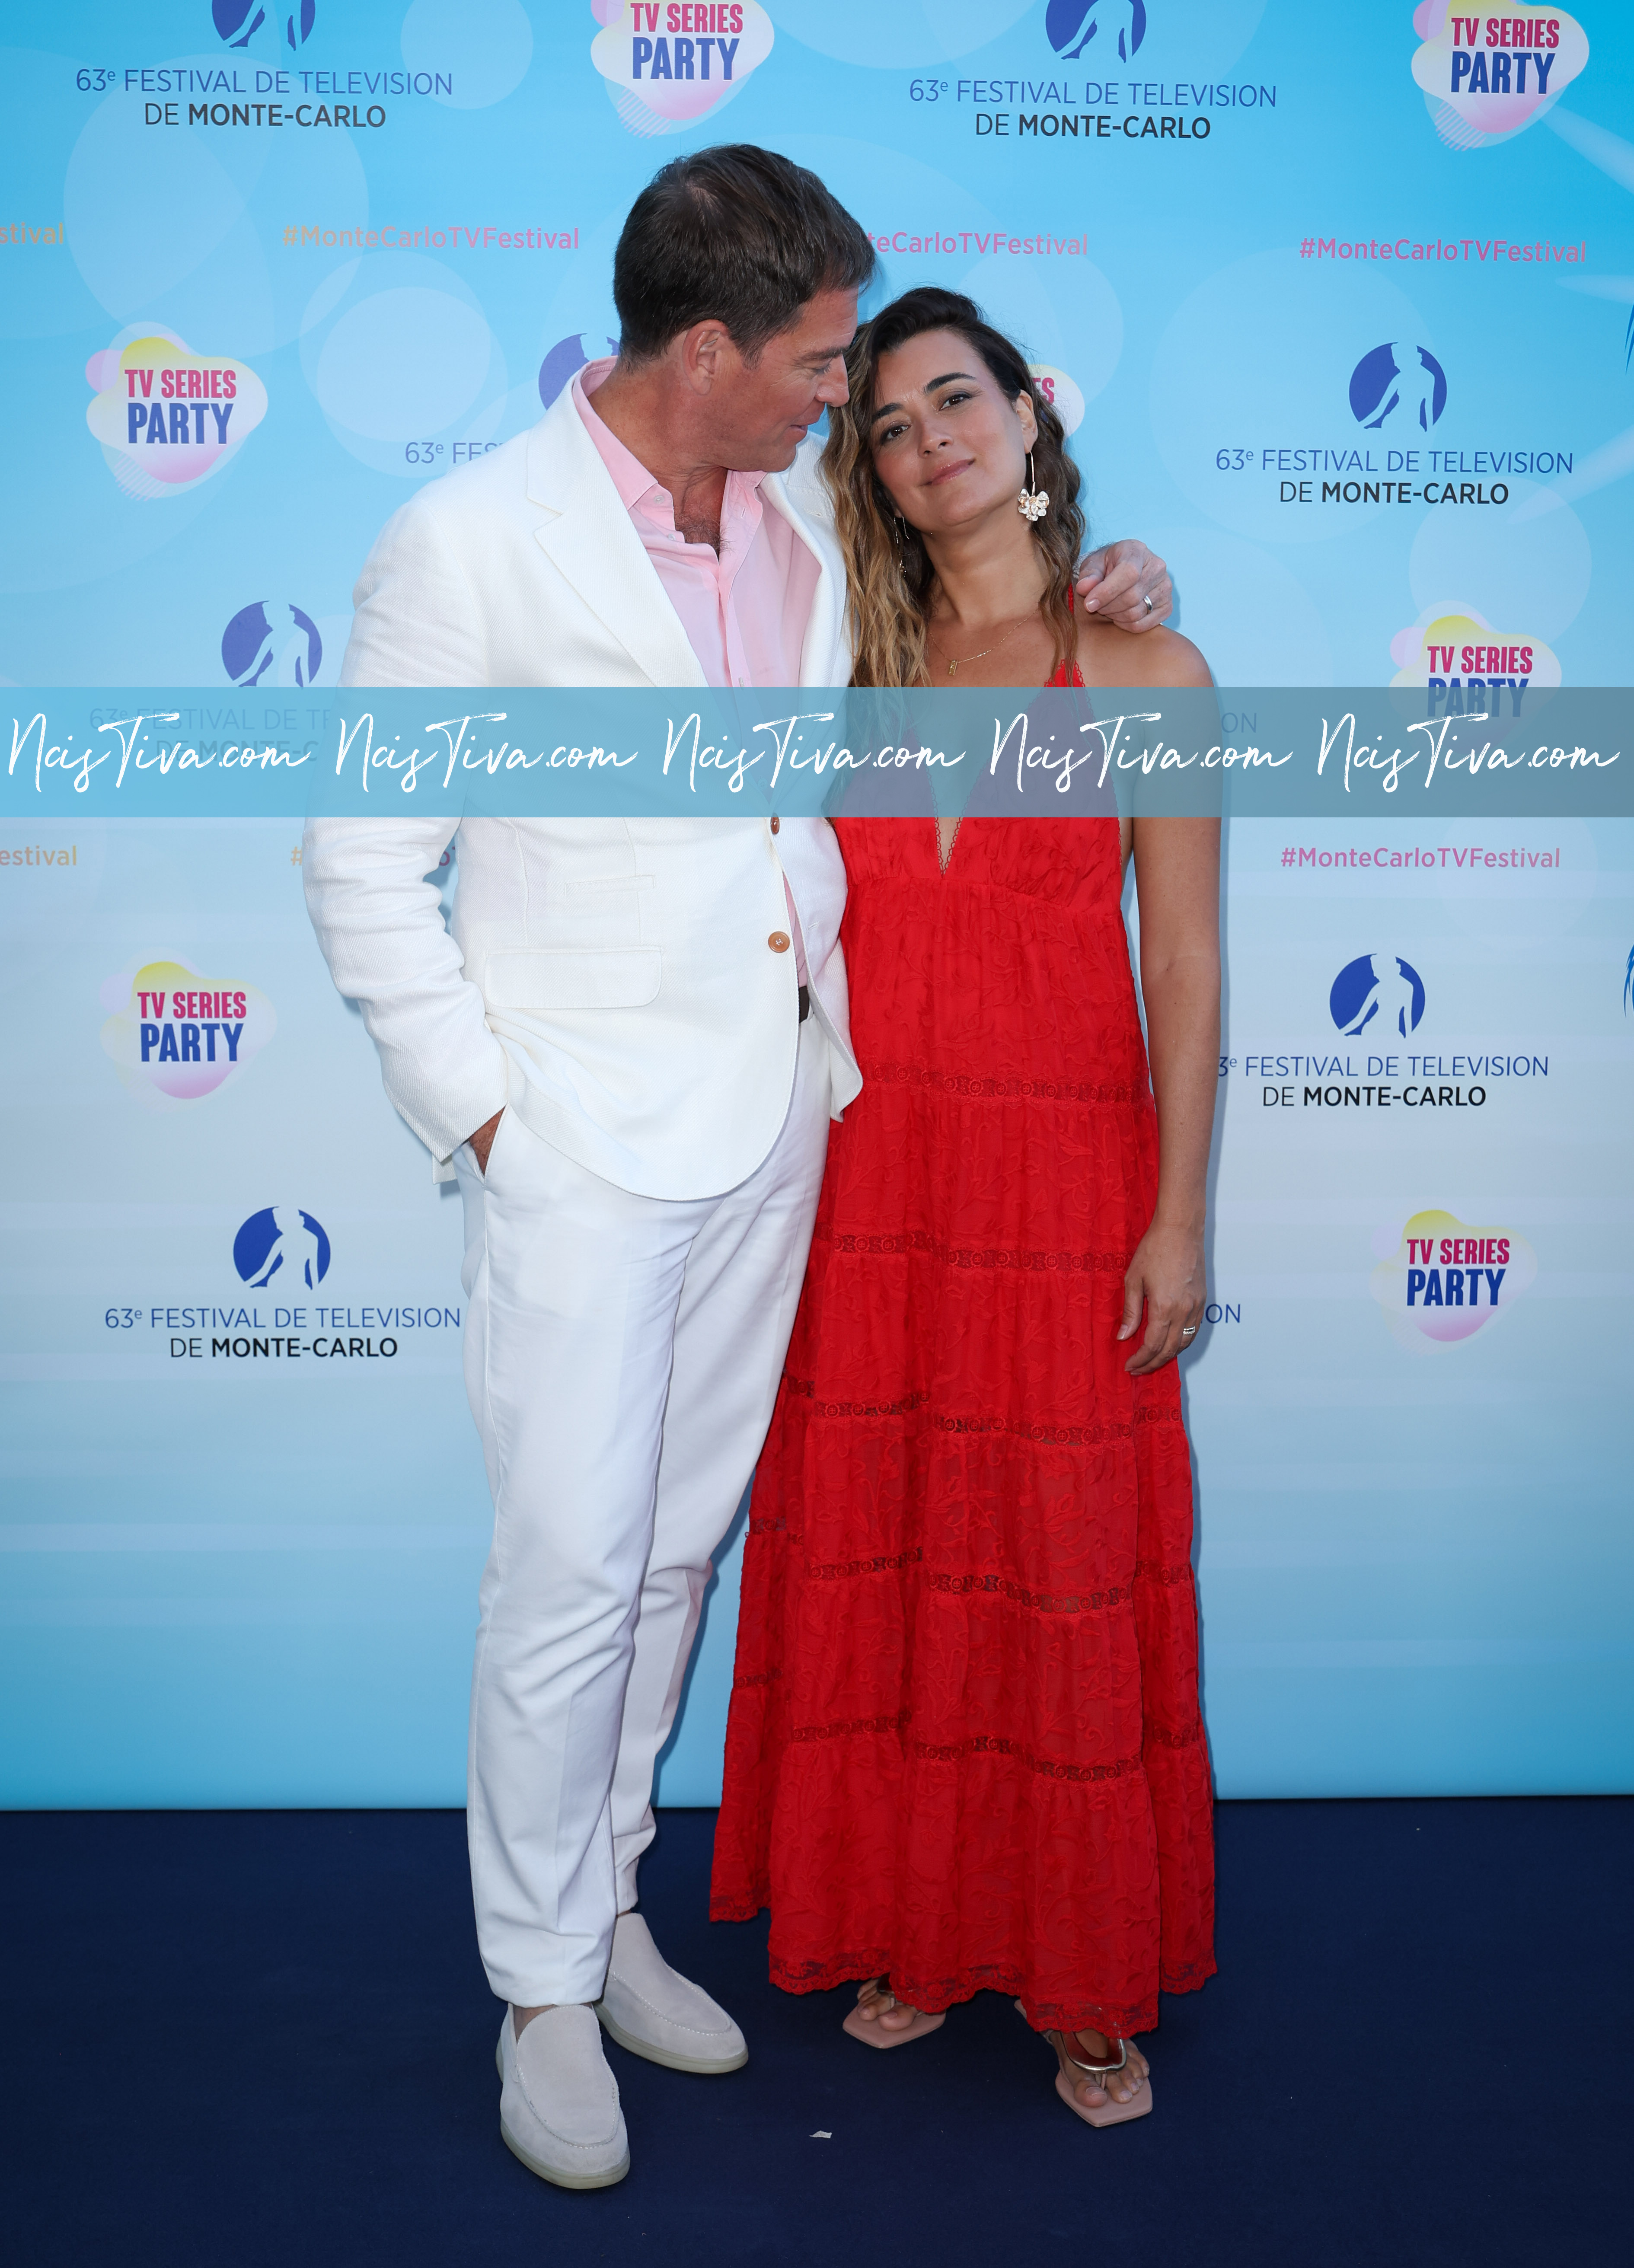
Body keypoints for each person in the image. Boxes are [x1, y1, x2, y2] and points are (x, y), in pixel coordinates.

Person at [301, 149, 1174, 2190]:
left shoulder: (795, 508)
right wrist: (497, 1118)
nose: (839, 397)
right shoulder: (465, 541)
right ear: (707, 348)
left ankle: (605, 1913)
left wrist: (1126, 578)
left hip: (789, 1114)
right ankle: (532, 1985)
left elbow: (1002, 592)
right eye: (810, 362)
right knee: (568, 1570)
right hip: (583, 1146)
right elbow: (362, 860)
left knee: (678, 1552)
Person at [712, 286, 1219, 2128]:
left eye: (957, 399)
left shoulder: (1148, 671)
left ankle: (1089, 1974)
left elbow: (1189, 965)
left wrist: (1178, 1215)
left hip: (1066, 1172)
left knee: (1061, 1560)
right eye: (897, 425)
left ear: (1027, 409)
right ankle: (912, 1926)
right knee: (898, 1535)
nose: (933, 440)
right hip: (870, 1178)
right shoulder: (843, 652)